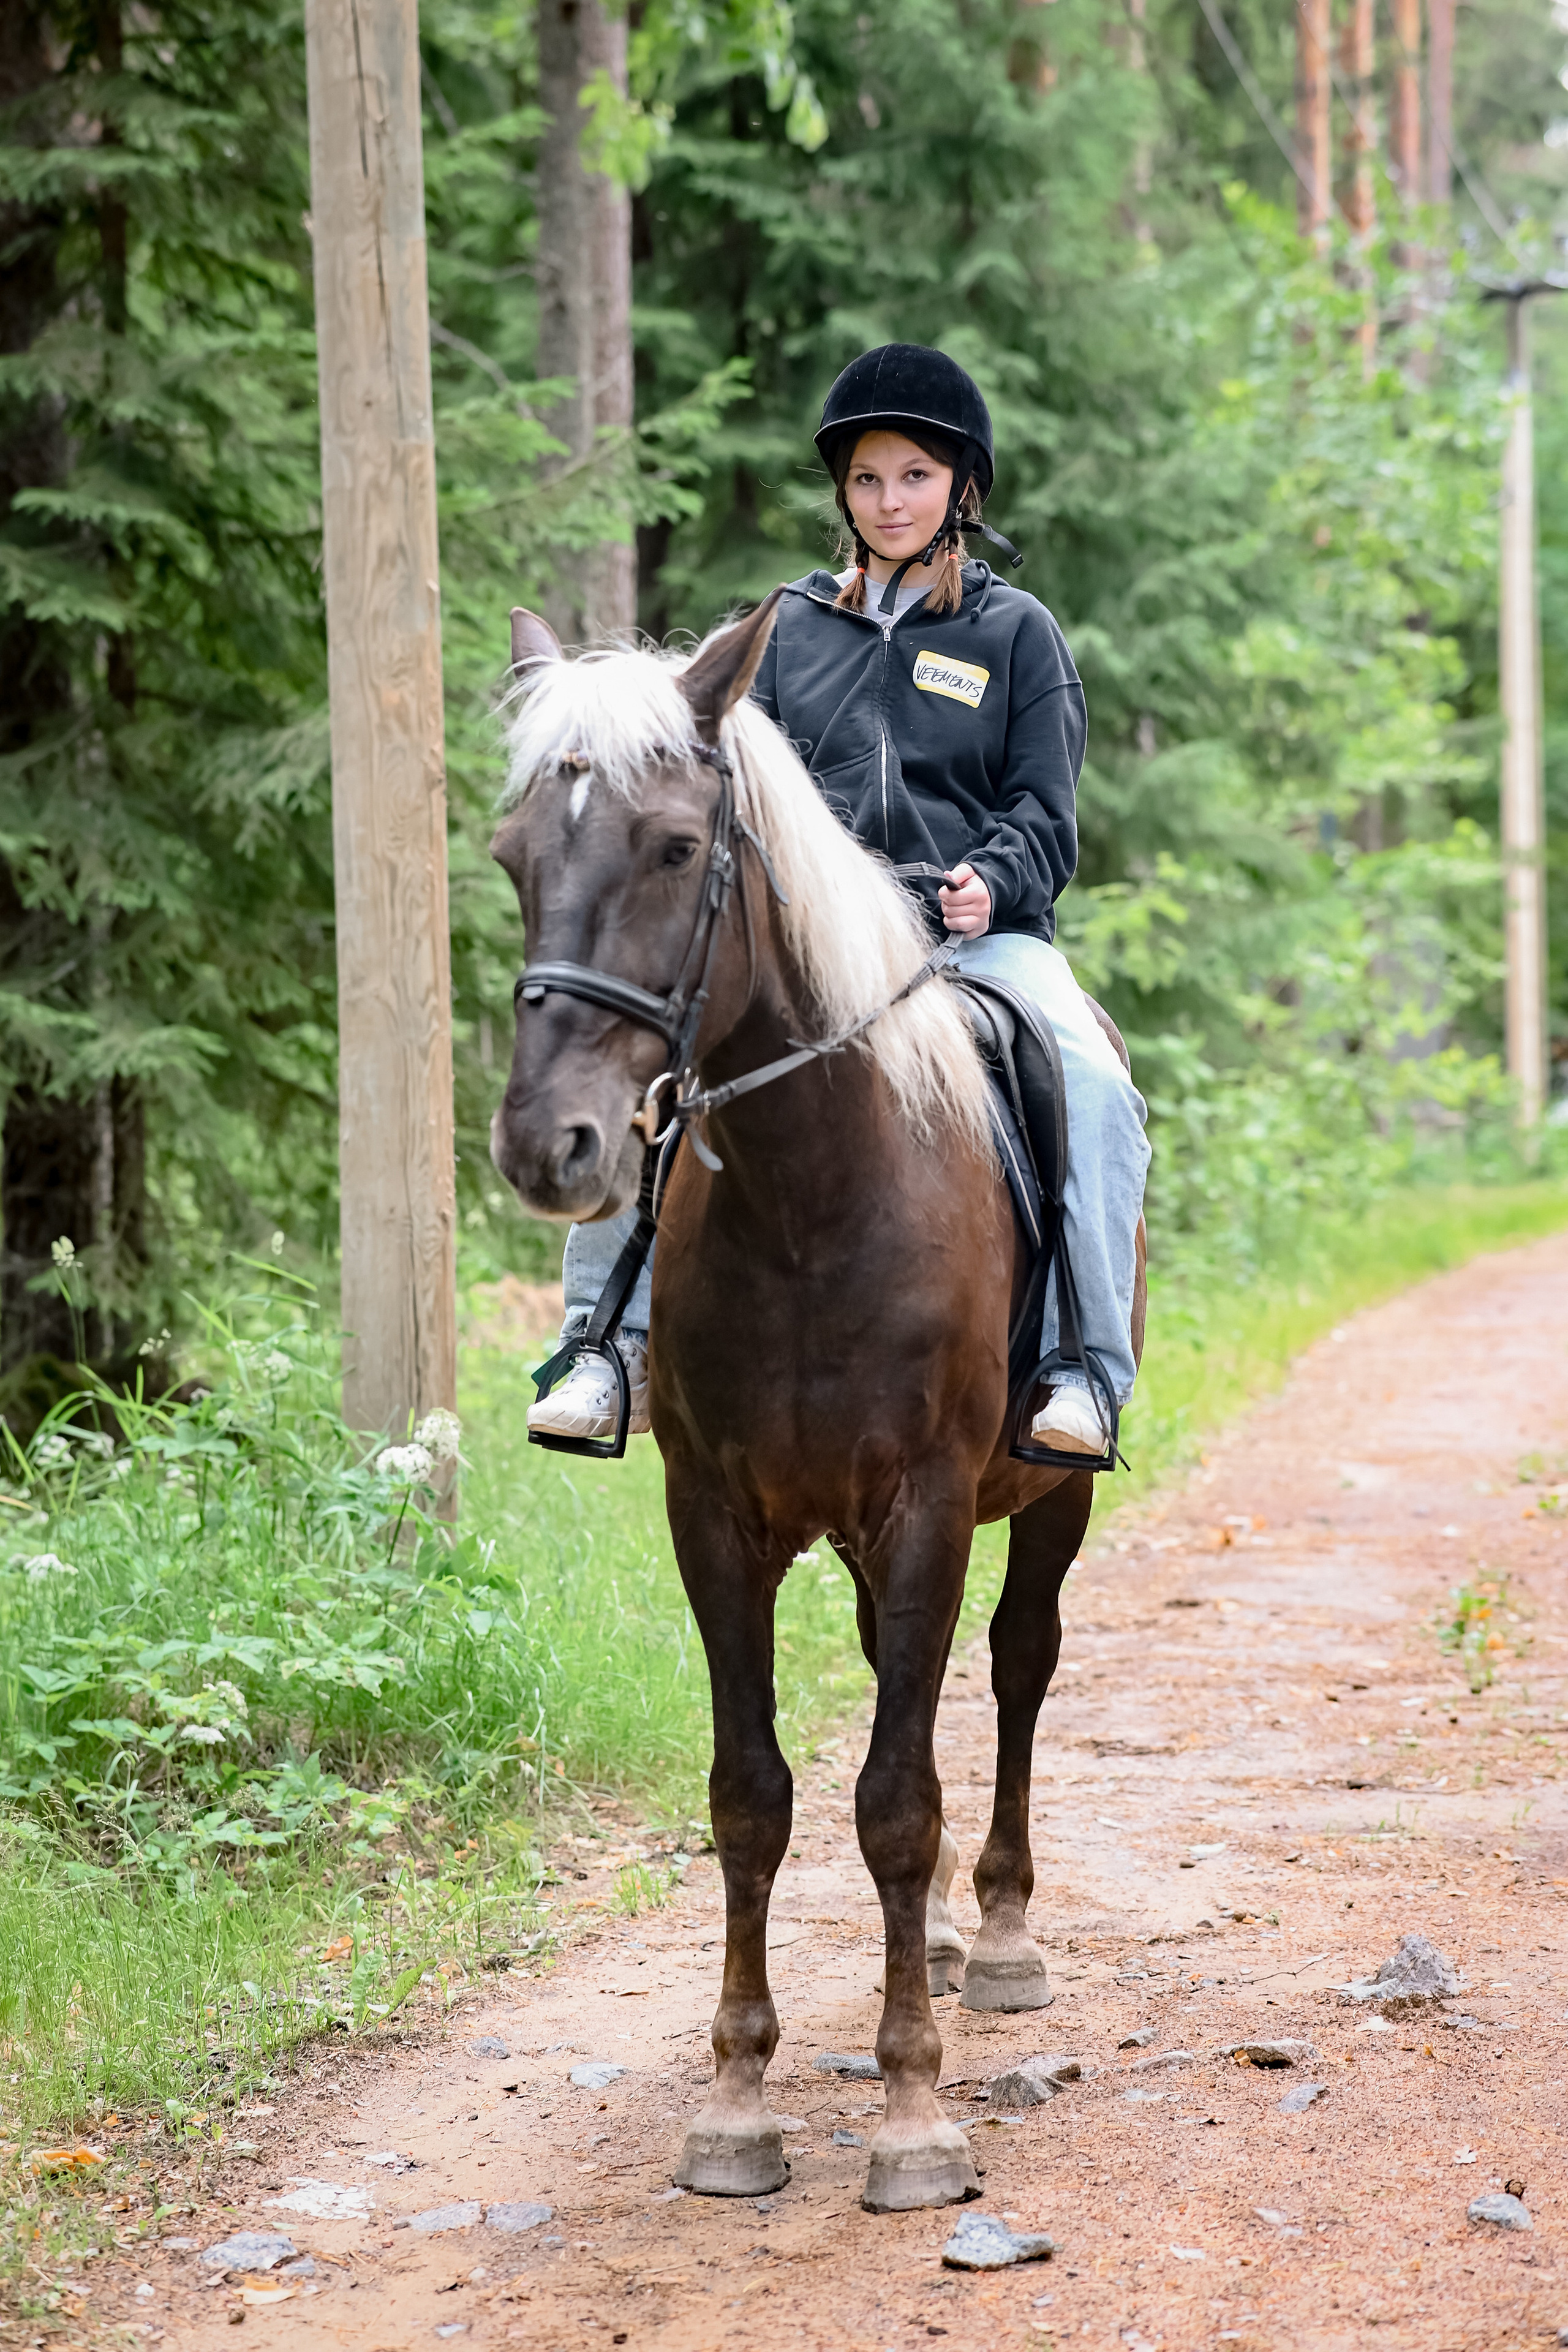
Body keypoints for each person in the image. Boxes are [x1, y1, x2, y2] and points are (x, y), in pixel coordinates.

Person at [527, 342, 1150, 1455]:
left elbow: (1048, 817)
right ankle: (603, 1347)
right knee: (650, 1059)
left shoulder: (1016, 635)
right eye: (867, 479)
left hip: (974, 945)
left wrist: (993, 880)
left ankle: (1082, 1367)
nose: (889, 500)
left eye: (913, 475)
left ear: (961, 487)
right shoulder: (789, 632)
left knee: (1093, 1079)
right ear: (843, 496)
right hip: (812, 956)